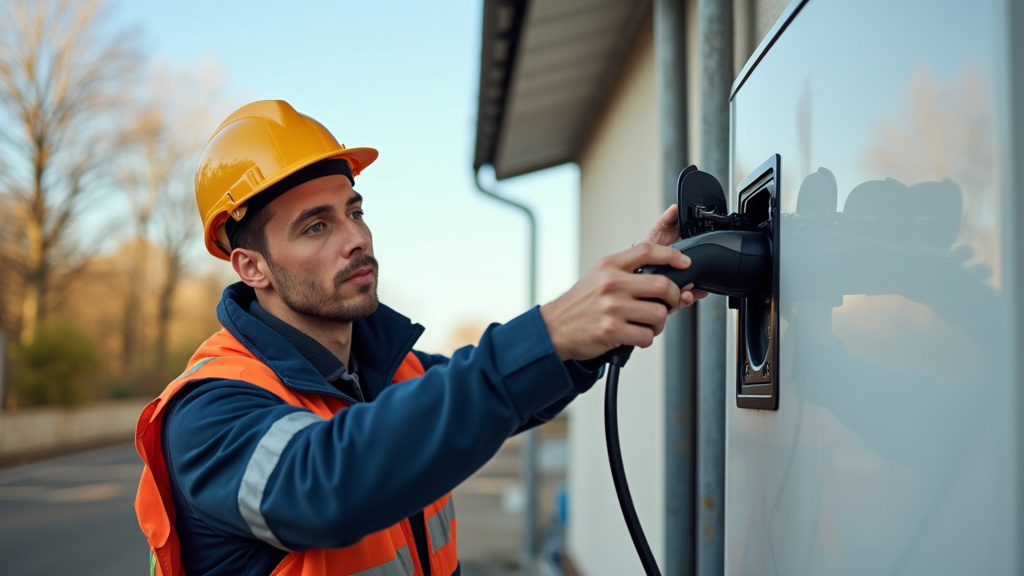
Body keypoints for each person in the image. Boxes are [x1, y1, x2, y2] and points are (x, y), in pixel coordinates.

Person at [134, 100, 705, 576]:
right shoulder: (207, 412)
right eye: (316, 226)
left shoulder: (384, 370)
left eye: (354, 211)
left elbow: (493, 398)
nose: (356, 238)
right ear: (252, 267)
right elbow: (326, 484)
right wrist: (549, 330)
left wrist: (607, 319)